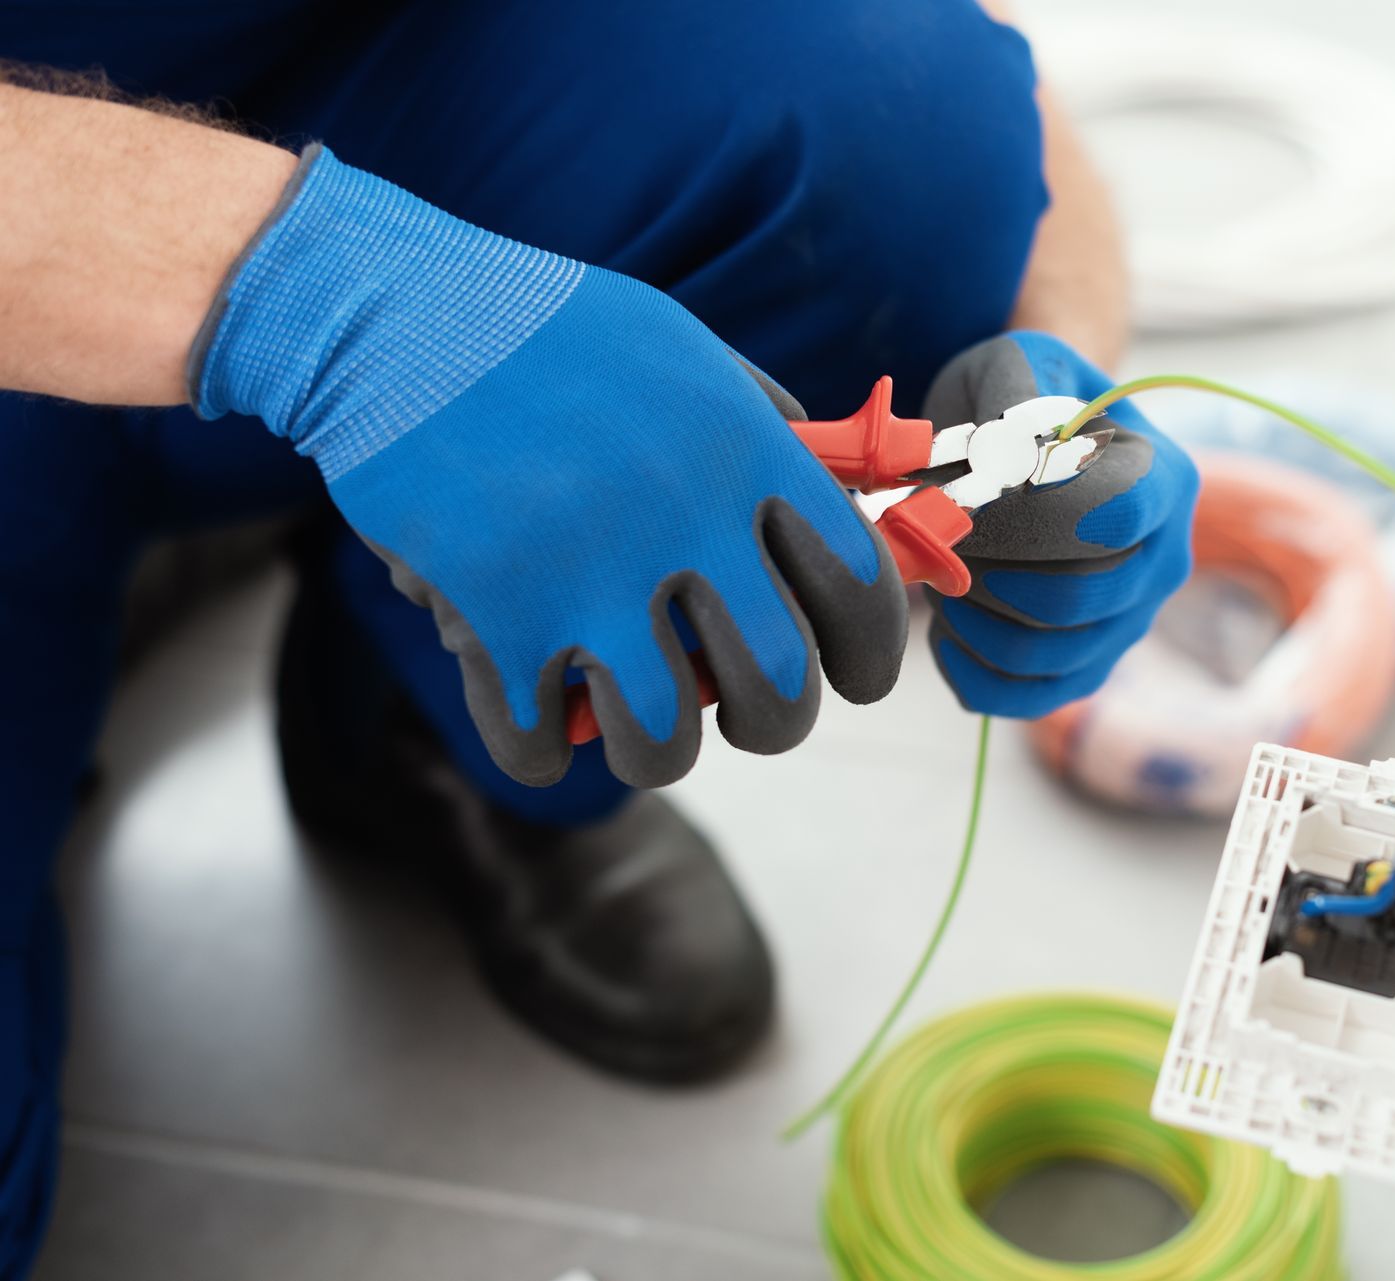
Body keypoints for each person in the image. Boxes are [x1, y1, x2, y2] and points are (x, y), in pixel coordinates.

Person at [0, 1, 1198, 1270]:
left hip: (377, 102)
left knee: (898, 115)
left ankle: (424, 718)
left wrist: (1054, 372)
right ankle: (166, 508)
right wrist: (312, 300)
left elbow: (973, 40)